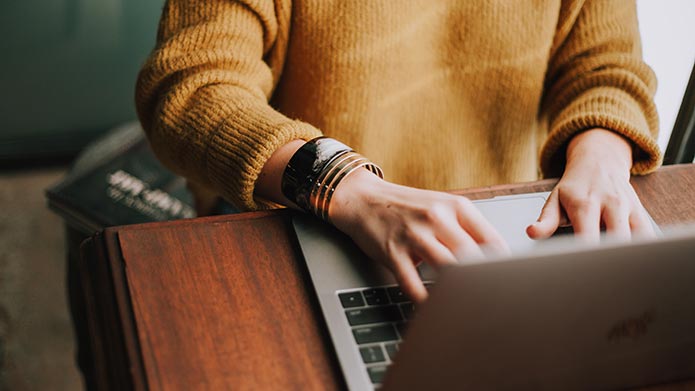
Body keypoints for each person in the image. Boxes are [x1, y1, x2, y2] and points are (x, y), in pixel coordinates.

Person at [136, 0, 661, 302]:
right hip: (302, 225)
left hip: (496, 239)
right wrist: (345, 184)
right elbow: (191, 87)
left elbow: (606, 67)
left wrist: (602, 154)